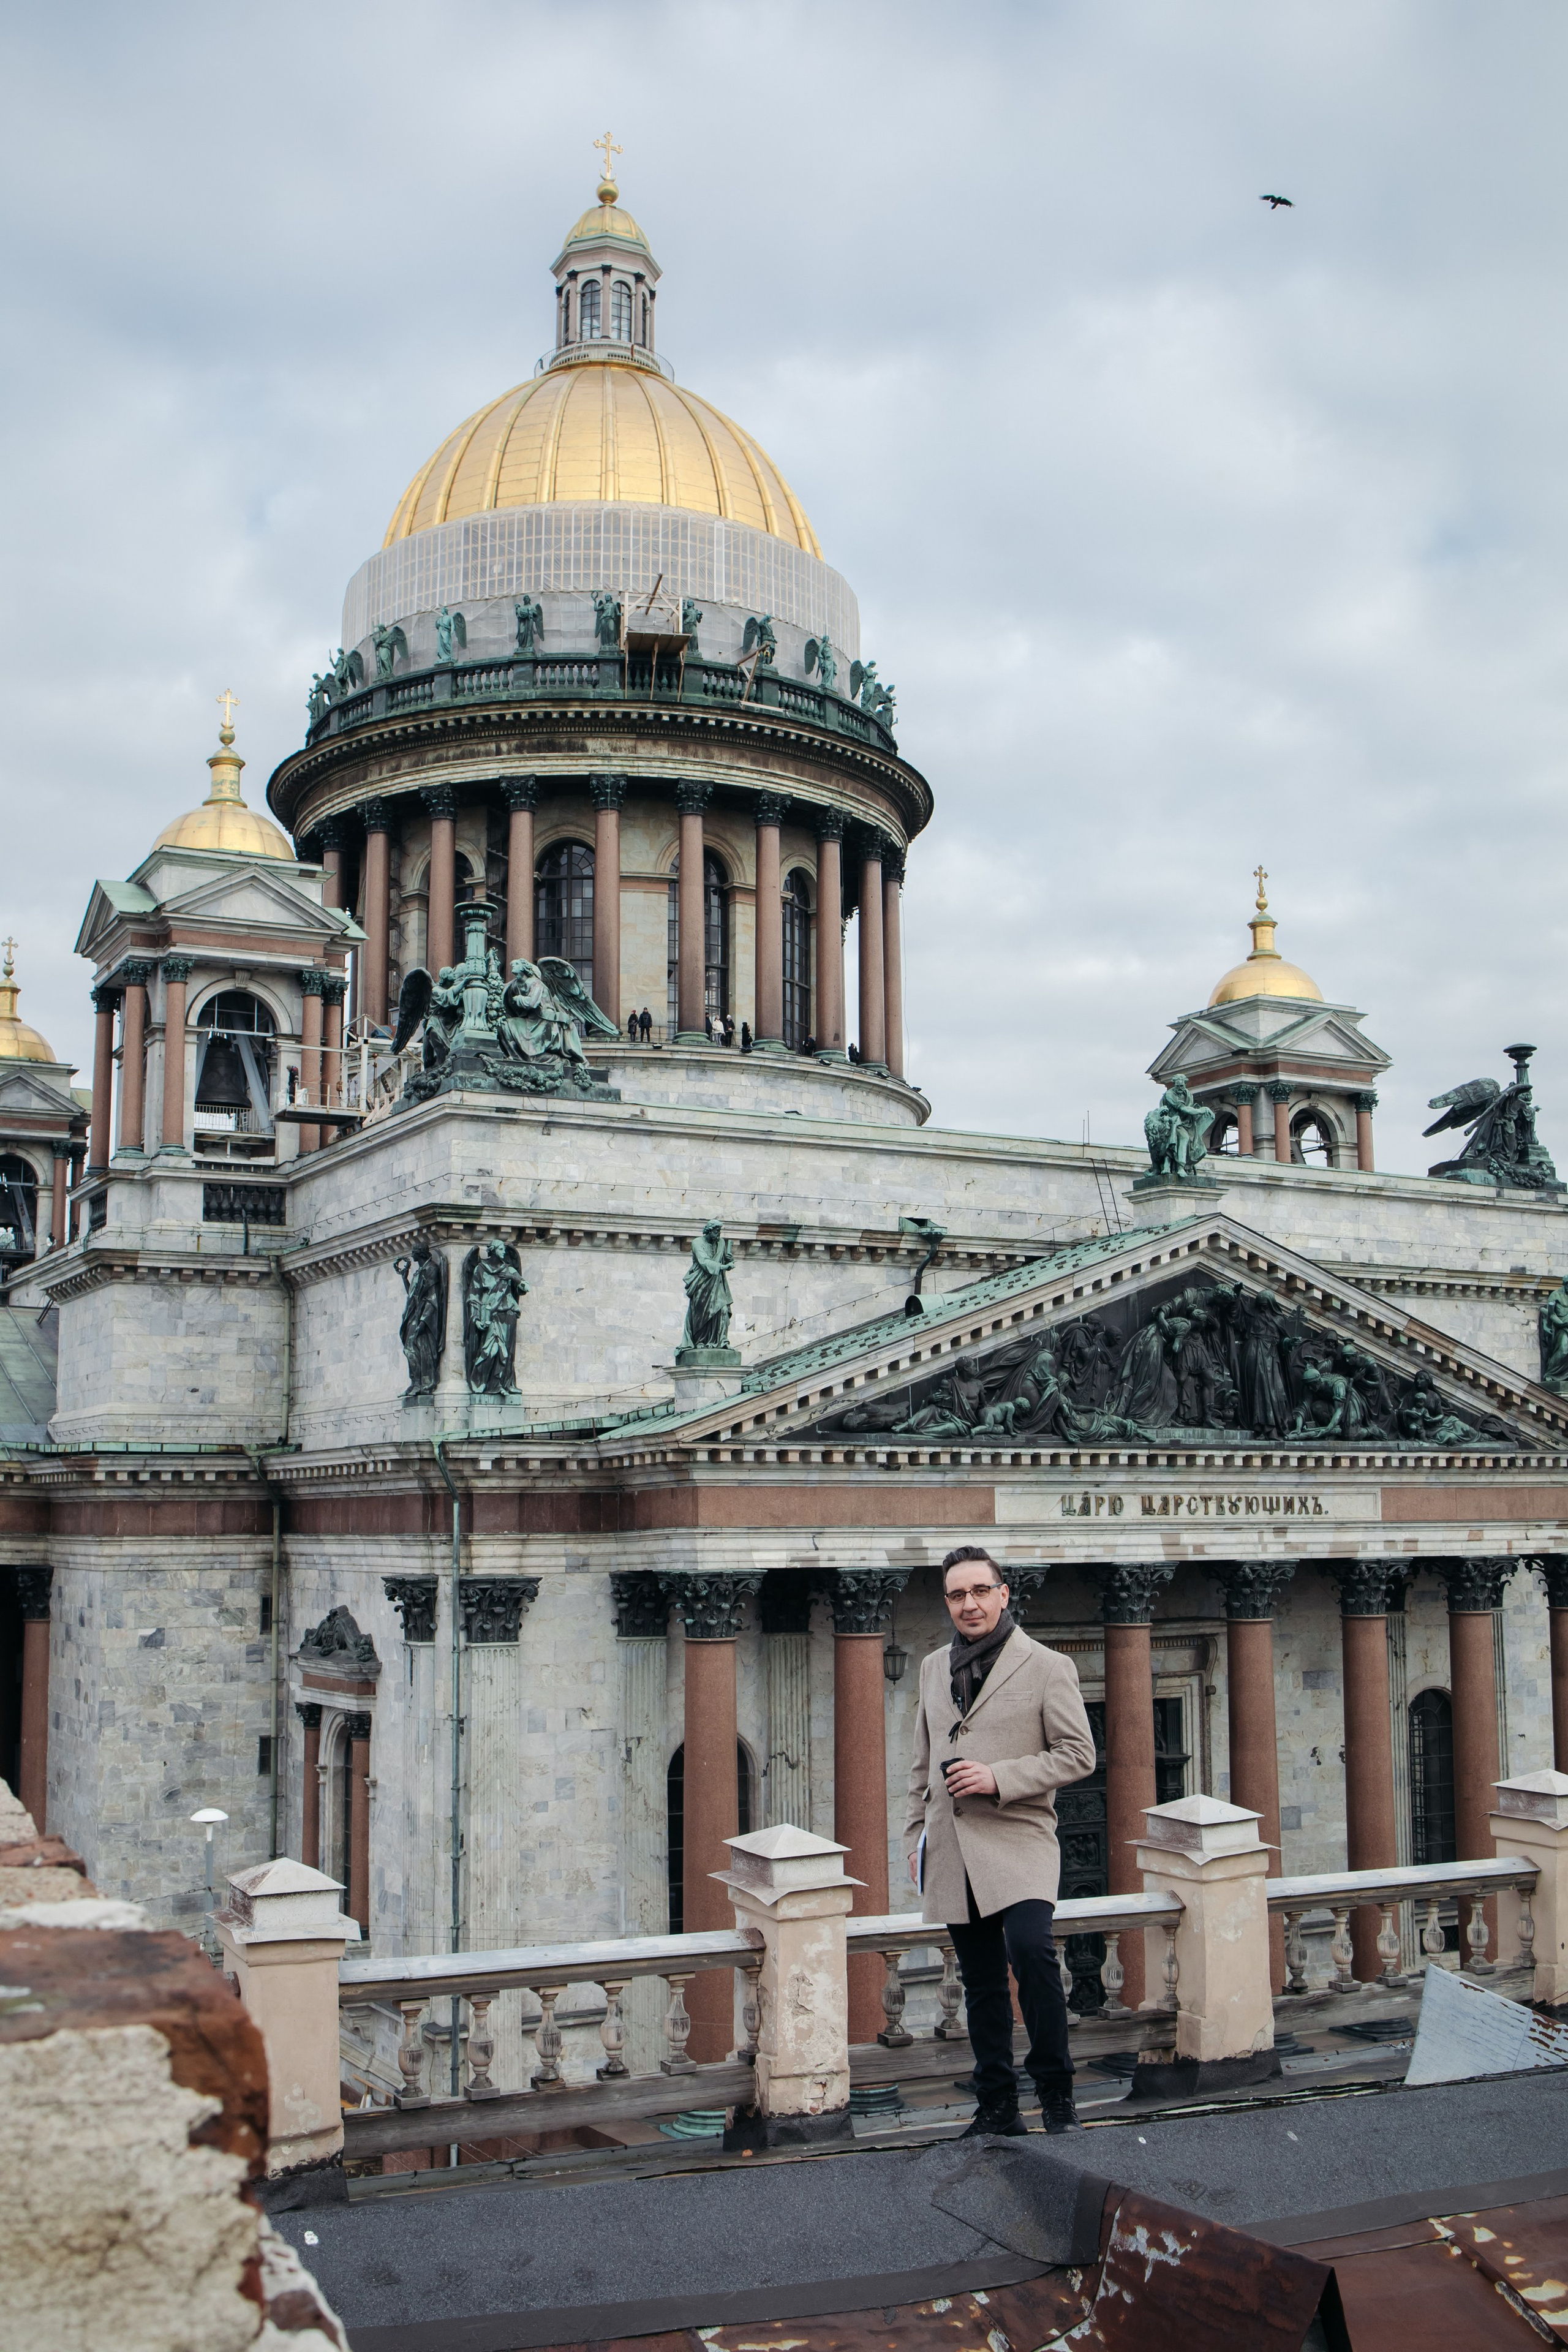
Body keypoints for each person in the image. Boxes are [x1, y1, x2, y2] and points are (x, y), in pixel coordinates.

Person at [904, 1545, 1096, 2137]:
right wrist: (916, 1839)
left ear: (1004, 1593)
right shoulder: (934, 1667)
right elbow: (921, 1763)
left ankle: (1057, 2094)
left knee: (1033, 1952)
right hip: (952, 1847)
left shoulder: (1045, 1665)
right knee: (981, 1982)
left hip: (1020, 1837)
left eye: (981, 1591)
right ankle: (997, 2106)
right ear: (947, 1602)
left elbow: (1079, 1754)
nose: (970, 1604)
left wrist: (999, 1778)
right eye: (957, 1595)